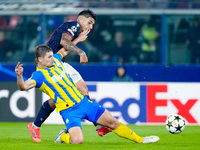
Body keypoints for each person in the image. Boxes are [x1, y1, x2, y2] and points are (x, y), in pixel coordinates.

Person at [15, 45, 159, 144]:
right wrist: (20, 76)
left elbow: (65, 49)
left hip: (84, 103)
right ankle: (62, 137)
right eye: (49, 57)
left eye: (52, 56)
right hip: (69, 111)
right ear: (40, 60)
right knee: (77, 141)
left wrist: (79, 43)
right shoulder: (38, 75)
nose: (53, 59)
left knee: (113, 123)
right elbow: (23, 87)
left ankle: (141, 140)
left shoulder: (57, 61)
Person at [27, 9, 111, 143]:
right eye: (89, 22)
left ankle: (35, 126)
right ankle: (98, 125)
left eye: (92, 25)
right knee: (73, 94)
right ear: (81, 19)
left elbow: (64, 45)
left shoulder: (75, 30)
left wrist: (78, 39)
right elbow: (64, 43)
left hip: (59, 63)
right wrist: (81, 52)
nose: (90, 27)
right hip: (53, 64)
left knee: (60, 99)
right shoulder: (74, 25)